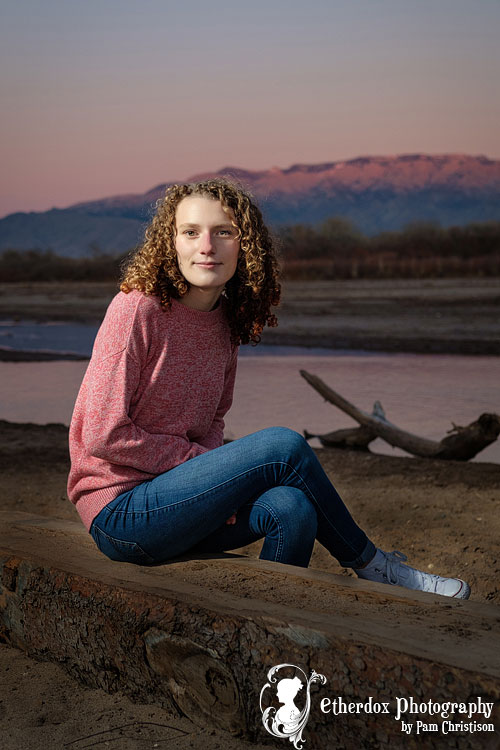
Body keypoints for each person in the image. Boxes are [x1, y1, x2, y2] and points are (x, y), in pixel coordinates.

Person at [67, 178, 470, 600]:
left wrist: (212, 486)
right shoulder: (137, 309)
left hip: (184, 503)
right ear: (171, 243)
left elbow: (212, 422)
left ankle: (271, 623)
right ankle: (373, 565)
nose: (207, 246)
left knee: (291, 508)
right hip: (123, 512)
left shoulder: (225, 324)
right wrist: (200, 469)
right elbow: (101, 433)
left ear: (246, 246)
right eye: (191, 232)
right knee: (283, 445)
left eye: (223, 232)